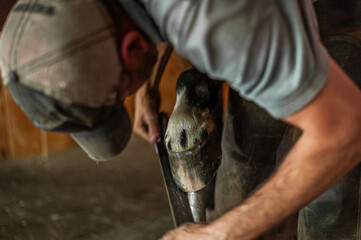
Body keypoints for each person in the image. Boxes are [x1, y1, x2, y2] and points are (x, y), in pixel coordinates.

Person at [0, 0, 360, 239]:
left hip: (344, 13)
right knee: (246, 173)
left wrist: (220, 233)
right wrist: (145, 83)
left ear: (132, 47)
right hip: (255, 23)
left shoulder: (219, 23)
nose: (125, 97)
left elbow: (346, 130)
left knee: (330, 201)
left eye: (119, 93)